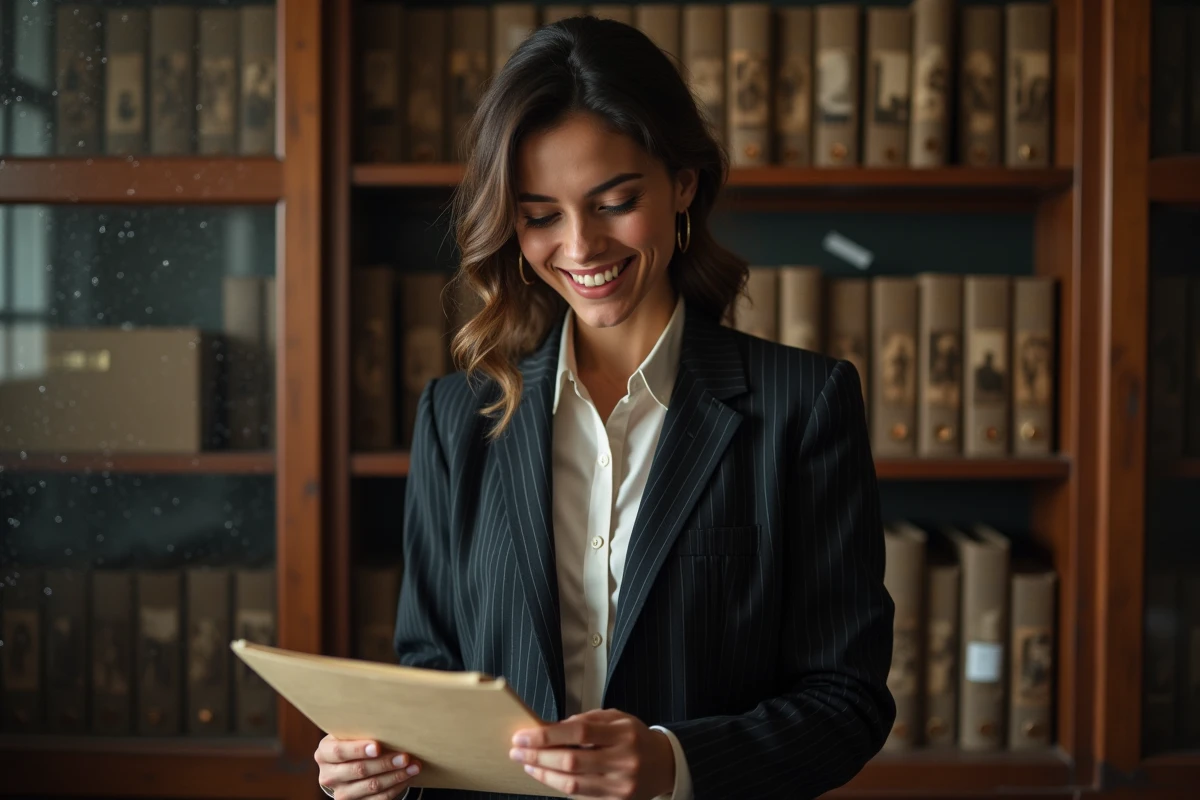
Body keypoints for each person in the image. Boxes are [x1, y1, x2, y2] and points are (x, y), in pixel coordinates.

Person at [314, 15, 895, 800]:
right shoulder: (456, 419)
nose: (581, 247)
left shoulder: (804, 407)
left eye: (614, 201)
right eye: (540, 215)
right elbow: (434, 669)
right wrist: (384, 763)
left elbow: (847, 701)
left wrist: (671, 763)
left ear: (683, 183)